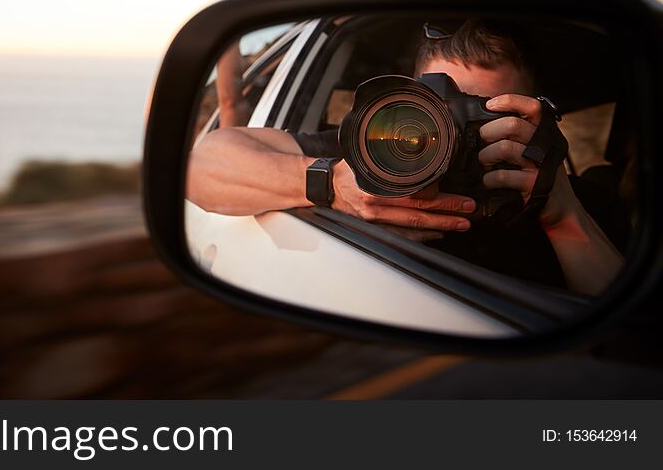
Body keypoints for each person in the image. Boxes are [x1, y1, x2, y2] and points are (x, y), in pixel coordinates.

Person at [186, 19, 625, 296]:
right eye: (440, 109)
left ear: (528, 117)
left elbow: (633, 335)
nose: (454, 135)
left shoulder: (568, 201)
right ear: (407, 98)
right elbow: (202, 168)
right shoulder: (364, 158)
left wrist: (562, 216)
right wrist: (331, 186)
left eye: (487, 113)